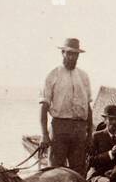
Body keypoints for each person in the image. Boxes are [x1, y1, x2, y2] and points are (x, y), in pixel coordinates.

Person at [38, 38, 92, 175]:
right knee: (55, 172)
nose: (72, 57)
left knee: (79, 173)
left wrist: (90, 134)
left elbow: (88, 107)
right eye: (69, 53)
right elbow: (43, 106)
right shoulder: (53, 74)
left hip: (80, 130)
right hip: (60, 128)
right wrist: (44, 135)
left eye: (75, 54)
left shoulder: (84, 77)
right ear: (63, 53)